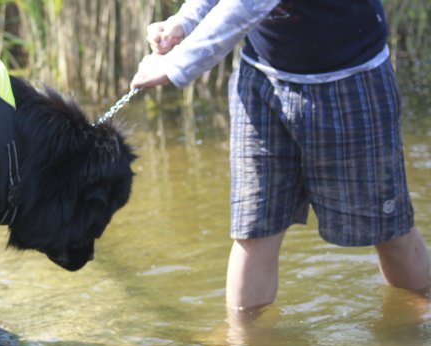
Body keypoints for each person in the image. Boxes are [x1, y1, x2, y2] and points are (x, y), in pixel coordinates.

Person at [130, 0, 431, 310]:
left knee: (388, 231)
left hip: (350, 80)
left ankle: (413, 333)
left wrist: (177, 65)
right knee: (253, 230)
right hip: (261, 82)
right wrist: (185, 21)